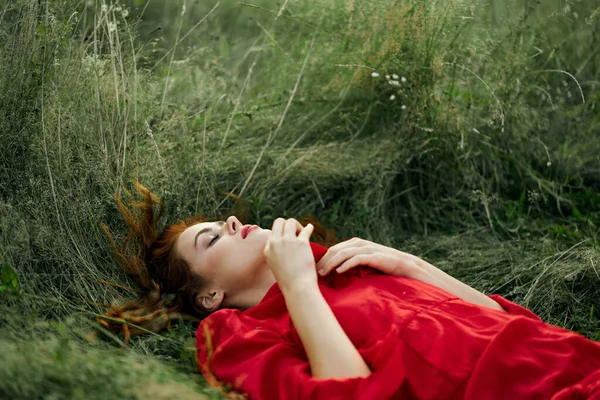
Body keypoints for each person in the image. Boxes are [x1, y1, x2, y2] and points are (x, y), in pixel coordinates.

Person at [100, 182, 600, 399]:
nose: (232, 220)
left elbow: (513, 322)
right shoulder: (239, 334)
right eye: (212, 238)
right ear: (209, 296)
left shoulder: (339, 264)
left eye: (223, 221)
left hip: (569, 362)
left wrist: (410, 263)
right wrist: (295, 284)